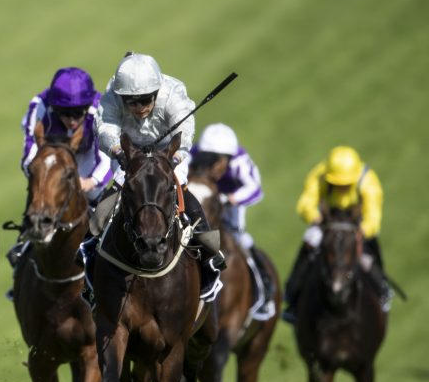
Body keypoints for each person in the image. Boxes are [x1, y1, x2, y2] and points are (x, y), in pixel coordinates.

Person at [88, 52, 224, 301]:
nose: (138, 108)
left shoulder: (173, 94)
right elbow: (105, 126)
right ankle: (88, 254)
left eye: (144, 100)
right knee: (101, 214)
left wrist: (172, 159)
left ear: (156, 92)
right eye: (131, 102)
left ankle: (210, 257)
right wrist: (119, 151)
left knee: (186, 201)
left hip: (168, 157)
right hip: (130, 157)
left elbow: (185, 130)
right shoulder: (112, 95)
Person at [282, 145, 389, 322]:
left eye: (345, 185)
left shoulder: (368, 182)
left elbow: (373, 219)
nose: (341, 187)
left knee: (368, 257)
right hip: (328, 222)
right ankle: (292, 295)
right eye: (337, 184)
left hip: (356, 225)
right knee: (310, 242)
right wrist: (315, 217)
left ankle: (382, 290)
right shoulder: (320, 175)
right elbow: (305, 203)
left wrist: (363, 230)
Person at [189, 123, 274, 316]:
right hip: (201, 200)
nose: (213, 164)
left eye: (218, 159)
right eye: (208, 157)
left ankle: (264, 285)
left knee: (240, 239)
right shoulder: (192, 153)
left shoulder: (240, 160)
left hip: (228, 205)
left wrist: (228, 199)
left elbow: (254, 188)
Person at [21, 67, 112, 203]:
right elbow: (30, 155)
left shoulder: (100, 109)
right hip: (50, 160)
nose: (71, 120)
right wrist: (47, 179)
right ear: (54, 107)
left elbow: (107, 157)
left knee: (93, 194)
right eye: (64, 112)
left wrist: (90, 182)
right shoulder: (39, 106)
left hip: (87, 155)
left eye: (78, 112)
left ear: (87, 107)